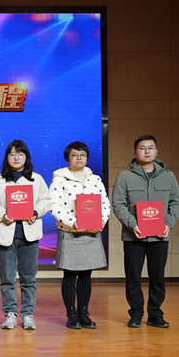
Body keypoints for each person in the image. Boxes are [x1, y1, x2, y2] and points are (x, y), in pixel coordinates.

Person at [111, 135, 179, 328]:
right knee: (133, 277)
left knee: (157, 277)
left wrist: (168, 224)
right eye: (142, 148)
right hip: (133, 236)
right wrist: (133, 224)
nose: (147, 151)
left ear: (156, 152)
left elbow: (177, 202)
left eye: (151, 147)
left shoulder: (168, 176)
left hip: (160, 236)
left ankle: (155, 314)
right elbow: (118, 204)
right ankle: (135, 314)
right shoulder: (124, 177)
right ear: (135, 152)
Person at [0, 140, 51, 330]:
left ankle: (28, 314)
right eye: (12, 154)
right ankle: (10, 314)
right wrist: (2, 215)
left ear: (26, 157)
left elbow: (46, 200)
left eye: (20, 154)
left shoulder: (36, 179)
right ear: (7, 157)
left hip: (29, 235)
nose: (16, 157)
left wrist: (36, 212)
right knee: (7, 278)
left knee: (29, 278)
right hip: (5, 234)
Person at [50, 141, 111, 330]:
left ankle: (83, 312)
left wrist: (100, 221)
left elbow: (105, 204)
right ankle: (71, 313)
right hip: (70, 231)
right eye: (75, 154)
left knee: (86, 275)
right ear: (67, 158)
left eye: (83, 154)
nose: (79, 157)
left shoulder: (95, 179)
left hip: (91, 232)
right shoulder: (59, 179)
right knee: (69, 274)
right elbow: (53, 205)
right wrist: (73, 222)